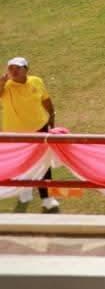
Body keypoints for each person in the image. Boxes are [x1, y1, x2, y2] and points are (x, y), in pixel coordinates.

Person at [3, 56, 59, 212]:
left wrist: (51, 115)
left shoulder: (36, 81)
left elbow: (45, 100)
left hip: (40, 128)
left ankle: (47, 198)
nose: (14, 71)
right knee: (22, 162)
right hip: (16, 133)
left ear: (26, 69)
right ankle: (25, 190)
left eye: (17, 68)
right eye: (11, 68)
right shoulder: (6, 86)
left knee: (43, 162)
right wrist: (1, 82)